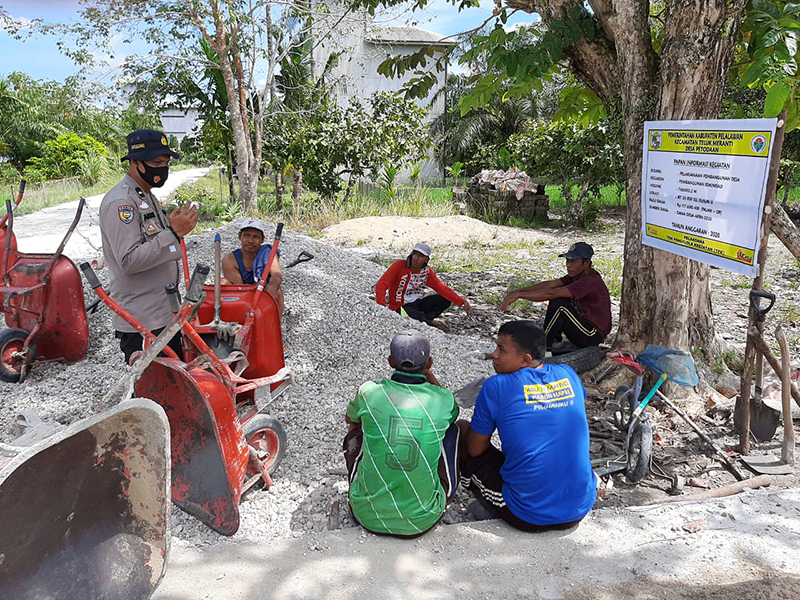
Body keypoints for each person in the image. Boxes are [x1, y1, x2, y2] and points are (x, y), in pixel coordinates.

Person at [459, 320, 597, 531]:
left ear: (525, 359)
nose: (494, 355)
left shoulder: (496, 385)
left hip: (526, 513)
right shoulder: (568, 374)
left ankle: (484, 501)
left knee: (462, 431)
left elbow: (475, 449)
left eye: (501, 350)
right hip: (580, 507)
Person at [343, 330, 460, 538]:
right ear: (429, 363)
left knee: (358, 427)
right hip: (422, 519)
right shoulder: (443, 399)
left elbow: (349, 420)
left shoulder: (369, 392)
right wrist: (430, 375)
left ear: (390, 361)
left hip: (366, 515)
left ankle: (363, 485)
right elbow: (452, 416)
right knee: (453, 430)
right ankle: (446, 490)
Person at [99, 129, 198, 363]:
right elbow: (129, 261)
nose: (162, 168)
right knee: (153, 389)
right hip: (142, 321)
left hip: (162, 313)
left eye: (165, 162)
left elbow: (158, 247)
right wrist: (173, 232)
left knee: (171, 387)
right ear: (135, 162)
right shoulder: (122, 202)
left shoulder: (146, 195)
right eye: (156, 162)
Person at [500, 241, 611, 351]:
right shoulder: (577, 276)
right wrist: (517, 291)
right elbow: (550, 285)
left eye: (573, 261)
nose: (568, 265)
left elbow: (552, 293)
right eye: (567, 260)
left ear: (586, 263)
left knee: (560, 304)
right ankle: (555, 342)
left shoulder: (590, 281)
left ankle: (543, 348)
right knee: (559, 300)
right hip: (584, 327)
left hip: (592, 335)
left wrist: (520, 295)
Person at [375, 242, 473, 332]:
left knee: (444, 299)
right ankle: (428, 322)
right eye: (415, 254)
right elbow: (381, 285)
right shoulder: (399, 265)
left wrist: (462, 301)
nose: (416, 258)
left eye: (420, 256)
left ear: (426, 260)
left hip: (416, 304)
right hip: (399, 307)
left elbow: (441, 288)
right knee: (412, 314)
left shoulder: (426, 272)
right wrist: (382, 309)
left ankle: (425, 319)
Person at [221, 218, 284, 314]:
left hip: (264, 293)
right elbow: (240, 290)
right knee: (223, 283)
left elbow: (277, 275)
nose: (250, 240)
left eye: (255, 237)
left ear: (262, 239)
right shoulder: (230, 260)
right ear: (239, 236)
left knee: (278, 292)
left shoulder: (268, 253)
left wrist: (272, 288)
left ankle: (275, 327)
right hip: (241, 298)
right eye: (247, 236)